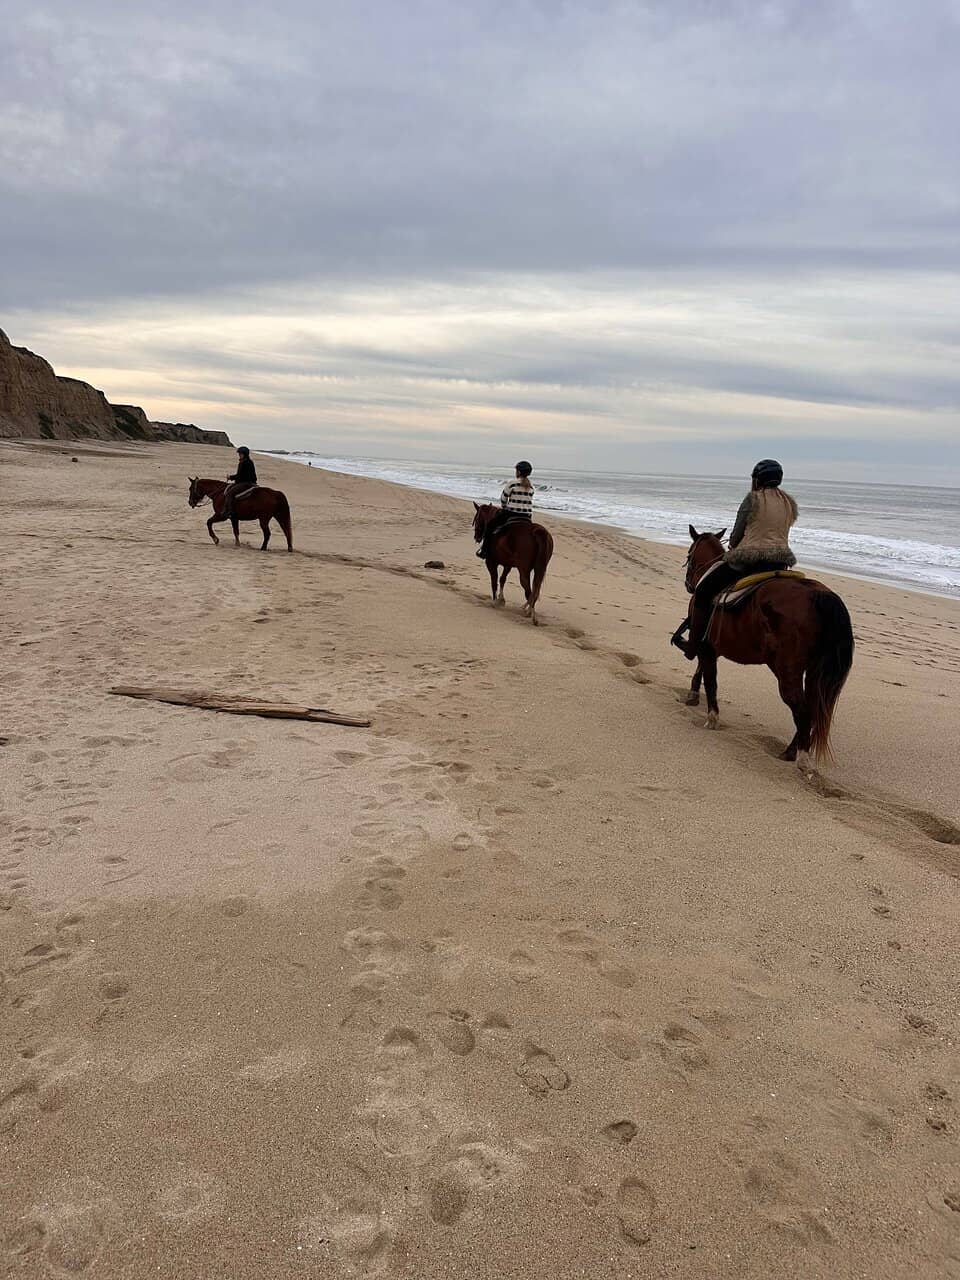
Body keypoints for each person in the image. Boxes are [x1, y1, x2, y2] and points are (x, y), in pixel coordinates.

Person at [673, 459, 798, 660]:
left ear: (757, 480)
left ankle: (693, 645)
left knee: (704, 591)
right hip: (779, 562)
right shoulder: (789, 503)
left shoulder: (753, 499)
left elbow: (736, 536)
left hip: (749, 560)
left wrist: (733, 546)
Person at [476, 461, 535, 558]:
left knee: (490, 526)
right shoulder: (531, 486)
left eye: (516, 470)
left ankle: (484, 550)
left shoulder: (512, 484)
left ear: (519, 472)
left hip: (511, 513)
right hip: (527, 516)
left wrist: (504, 507)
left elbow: (503, 498)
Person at [222, 447, 258, 521]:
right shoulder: (246, 461)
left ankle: (230, 512)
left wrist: (230, 477)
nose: (239, 455)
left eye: (241, 454)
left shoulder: (245, 462)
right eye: (239, 453)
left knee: (230, 493)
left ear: (245, 454)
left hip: (247, 483)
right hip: (246, 481)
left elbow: (241, 475)